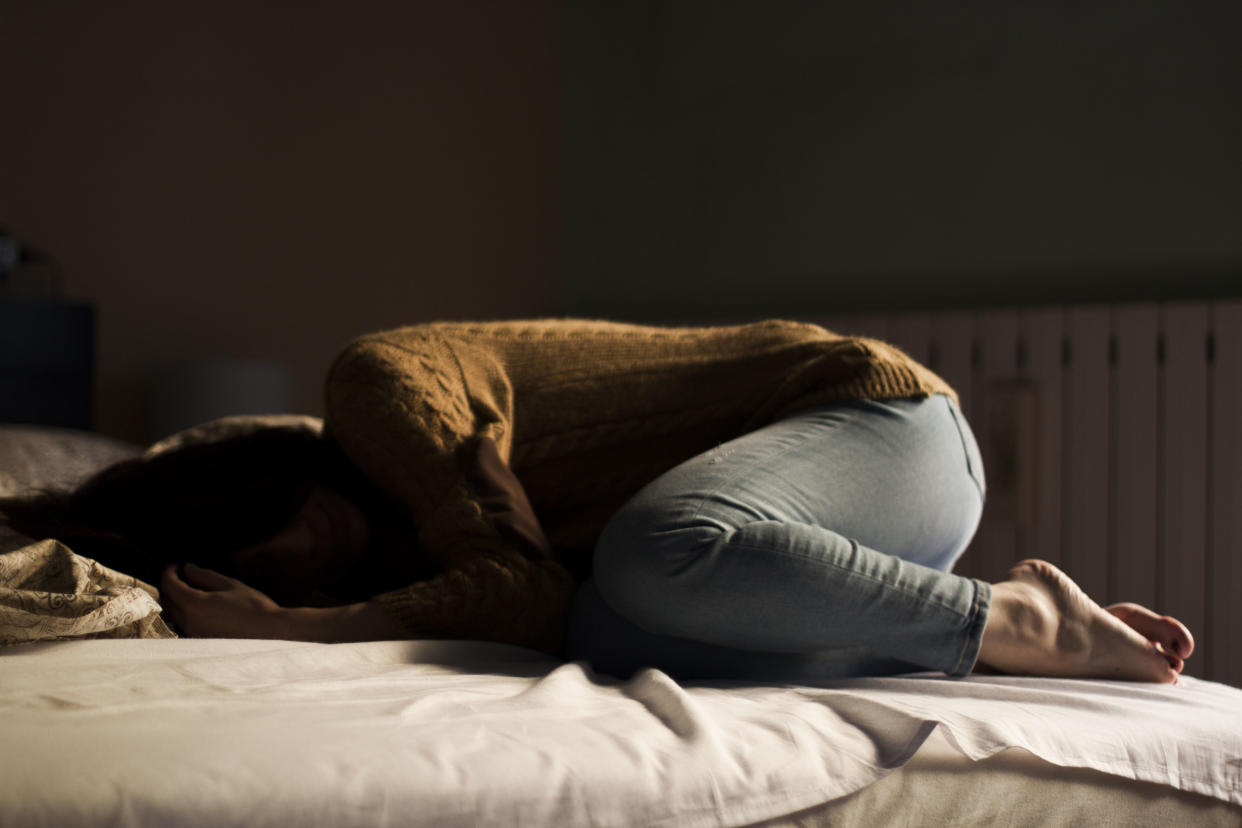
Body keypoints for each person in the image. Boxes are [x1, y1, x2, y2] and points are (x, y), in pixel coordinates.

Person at [0, 319, 1193, 683]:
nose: (292, 566)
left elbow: (514, 586)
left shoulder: (379, 390)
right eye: (272, 577)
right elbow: (527, 607)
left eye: (245, 541)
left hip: (879, 423)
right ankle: (950, 641)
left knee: (651, 552)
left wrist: (288, 632)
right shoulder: (419, 559)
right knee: (603, 636)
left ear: (240, 480)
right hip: (809, 539)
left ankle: (1009, 620)